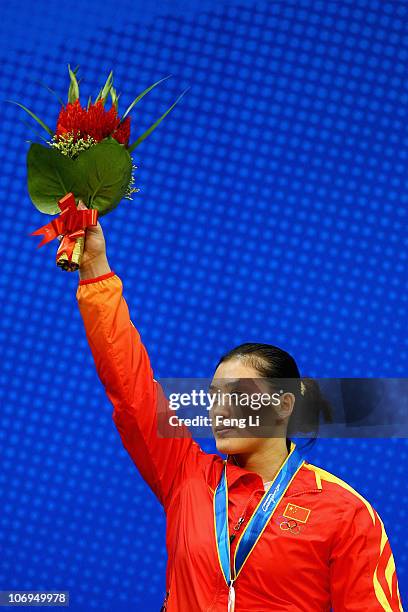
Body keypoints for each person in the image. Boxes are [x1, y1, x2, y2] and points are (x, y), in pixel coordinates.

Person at [74, 202, 403, 611]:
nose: (220, 409)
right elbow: (130, 386)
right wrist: (95, 269)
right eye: (213, 395)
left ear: (283, 405)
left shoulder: (345, 513)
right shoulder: (186, 477)